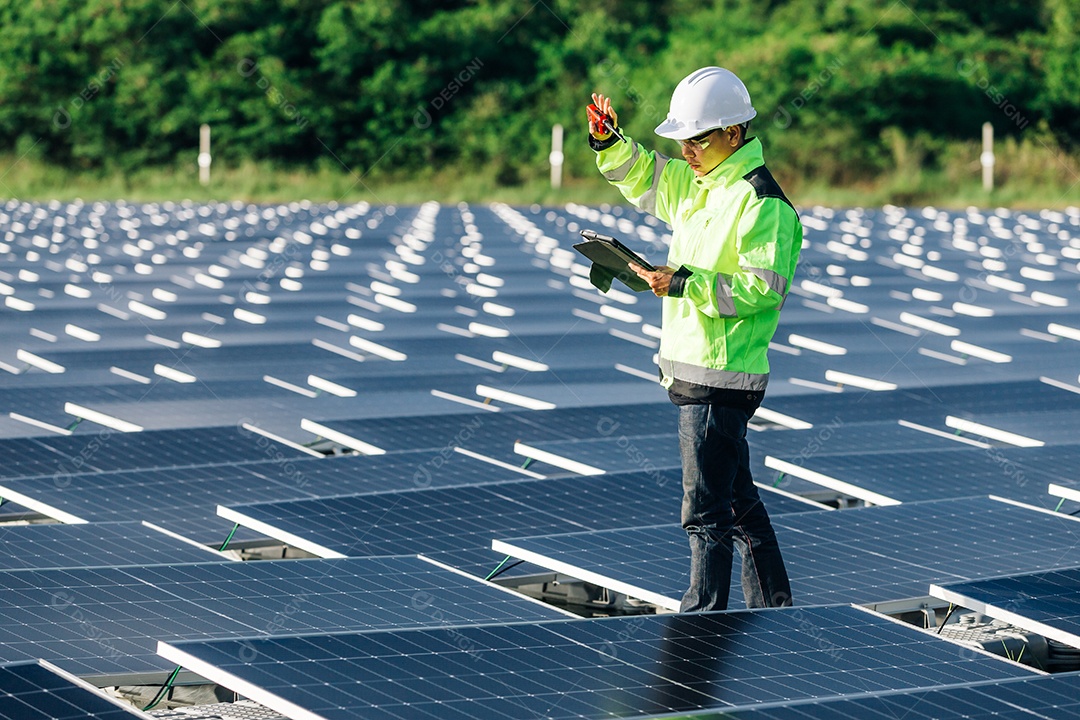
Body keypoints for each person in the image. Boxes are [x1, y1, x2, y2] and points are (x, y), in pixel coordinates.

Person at [588, 67, 800, 612]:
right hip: (694, 369)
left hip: (720, 375)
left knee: (704, 511)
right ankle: (774, 615)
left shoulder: (762, 203)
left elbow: (762, 289)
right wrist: (609, 143)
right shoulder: (701, 184)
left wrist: (685, 282)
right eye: (682, 139)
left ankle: (701, 625)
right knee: (736, 501)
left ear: (734, 133)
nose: (686, 150)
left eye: (697, 139)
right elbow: (645, 177)